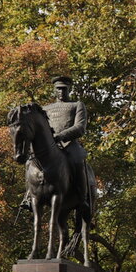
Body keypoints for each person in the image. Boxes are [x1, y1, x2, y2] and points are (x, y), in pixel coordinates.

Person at [42, 75, 89, 208]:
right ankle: (29, 196)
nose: (61, 92)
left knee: (78, 160)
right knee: (32, 162)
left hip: (69, 145)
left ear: (69, 89)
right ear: (54, 90)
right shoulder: (46, 109)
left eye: (64, 89)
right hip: (50, 147)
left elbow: (80, 127)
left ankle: (82, 198)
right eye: (58, 89)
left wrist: (61, 136)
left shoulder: (77, 105)